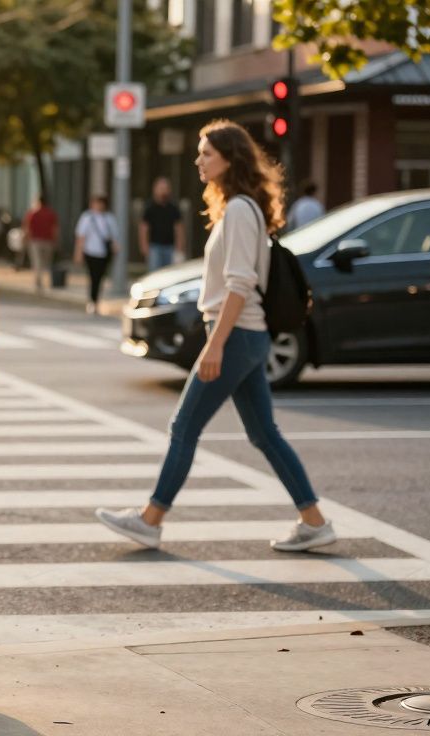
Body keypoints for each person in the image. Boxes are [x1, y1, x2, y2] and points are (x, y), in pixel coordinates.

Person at [96, 119, 334, 553]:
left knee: (184, 427)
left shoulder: (241, 210)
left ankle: (151, 519)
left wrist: (214, 344)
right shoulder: (239, 208)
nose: (198, 160)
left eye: (206, 152)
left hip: (237, 335)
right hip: (243, 336)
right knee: (264, 435)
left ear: (230, 158)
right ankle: (314, 520)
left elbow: (240, 285)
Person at [73, 194, 118, 314]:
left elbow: (113, 236)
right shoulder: (87, 217)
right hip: (90, 252)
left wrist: (115, 247)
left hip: (104, 253)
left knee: (100, 277)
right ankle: (92, 300)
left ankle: (96, 299)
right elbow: (81, 236)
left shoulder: (109, 218)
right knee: (93, 277)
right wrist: (78, 252)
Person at [139, 177, 184, 271]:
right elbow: (144, 228)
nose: (163, 191)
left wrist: (179, 248)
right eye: (161, 188)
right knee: (154, 274)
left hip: (170, 247)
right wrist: (144, 247)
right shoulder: (149, 208)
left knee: (169, 273)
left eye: (165, 188)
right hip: (154, 247)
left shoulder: (173, 208)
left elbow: (179, 228)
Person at [23, 195, 59, 291]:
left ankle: (39, 282)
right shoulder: (51, 213)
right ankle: (45, 281)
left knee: (37, 262)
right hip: (48, 241)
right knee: (46, 262)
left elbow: (27, 228)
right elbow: (55, 229)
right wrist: (56, 241)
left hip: (35, 241)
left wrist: (25, 240)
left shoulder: (33, 213)